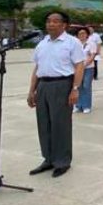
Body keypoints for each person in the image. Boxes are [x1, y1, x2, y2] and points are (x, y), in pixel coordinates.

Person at [27, 11, 85, 178]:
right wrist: (31, 90)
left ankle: (62, 161)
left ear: (64, 25)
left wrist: (75, 88)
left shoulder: (72, 42)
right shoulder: (42, 43)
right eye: (48, 21)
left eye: (55, 21)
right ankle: (48, 159)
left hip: (62, 84)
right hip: (43, 85)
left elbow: (79, 66)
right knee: (43, 124)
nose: (50, 24)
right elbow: (37, 68)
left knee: (60, 125)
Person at [74, 27, 97, 114]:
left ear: (87, 34)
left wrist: (83, 65)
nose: (82, 35)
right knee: (78, 86)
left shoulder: (91, 43)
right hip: (77, 68)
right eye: (80, 33)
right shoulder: (76, 44)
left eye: (84, 33)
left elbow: (92, 56)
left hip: (88, 68)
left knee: (86, 86)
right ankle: (78, 106)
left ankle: (86, 106)